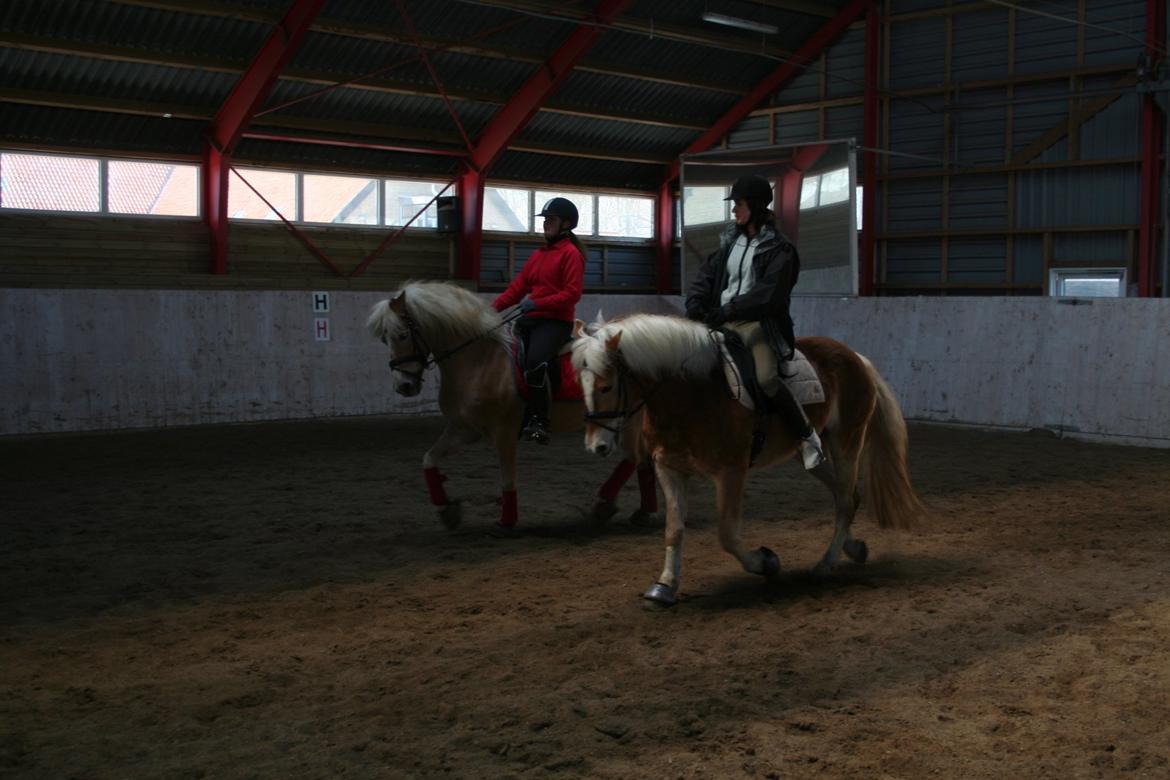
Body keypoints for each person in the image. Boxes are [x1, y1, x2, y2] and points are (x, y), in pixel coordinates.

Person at [684, 174, 825, 470]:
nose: (734, 210)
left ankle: (807, 436)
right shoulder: (729, 242)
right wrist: (696, 301)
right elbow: (707, 275)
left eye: (739, 204)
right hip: (721, 319)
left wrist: (729, 310)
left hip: (757, 324)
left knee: (766, 379)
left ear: (757, 206)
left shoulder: (781, 250)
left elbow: (769, 295)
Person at [492, 197, 586, 445]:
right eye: (544, 220)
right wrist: (490, 311)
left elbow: (572, 294)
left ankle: (541, 421)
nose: (545, 224)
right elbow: (516, 289)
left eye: (551, 220)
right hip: (531, 320)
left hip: (555, 322)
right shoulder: (538, 255)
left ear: (566, 224)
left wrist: (538, 303)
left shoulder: (571, 254)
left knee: (534, 361)